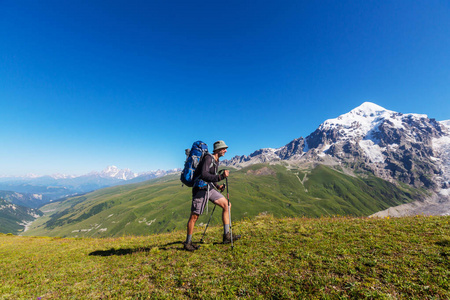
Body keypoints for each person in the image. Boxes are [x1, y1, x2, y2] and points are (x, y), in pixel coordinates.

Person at [183, 140, 241, 251]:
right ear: (218, 149)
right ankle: (188, 243)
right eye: (224, 148)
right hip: (200, 189)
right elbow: (204, 175)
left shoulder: (216, 160)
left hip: (209, 188)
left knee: (227, 205)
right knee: (194, 217)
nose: (226, 150)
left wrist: (218, 186)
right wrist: (220, 177)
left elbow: (211, 176)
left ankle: (227, 236)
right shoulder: (208, 158)